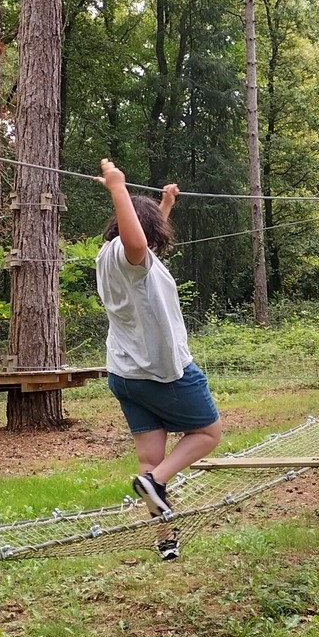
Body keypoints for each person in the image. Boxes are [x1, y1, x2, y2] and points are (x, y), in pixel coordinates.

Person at [94, 158, 221, 560]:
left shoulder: (109, 257)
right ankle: (157, 485)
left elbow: (140, 242)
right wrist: (117, 187)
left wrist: (163, 206)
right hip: (162, 373)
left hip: (125, 375)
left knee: (150, 460)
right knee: (207, 434)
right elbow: (137, 243)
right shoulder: (131, 256)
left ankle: (165, 537)